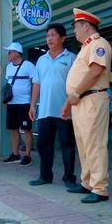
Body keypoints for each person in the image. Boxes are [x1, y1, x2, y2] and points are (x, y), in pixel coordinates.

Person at [60, 8, 112, 203]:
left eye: (76, 27)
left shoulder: (99, 44)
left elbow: (96, 71)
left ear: (86, 26)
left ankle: (100, 188)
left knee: (95, 144)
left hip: (92, 98)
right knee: (83, 143)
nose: (74, 31)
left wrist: (75, 93)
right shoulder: (85, 48)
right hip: (80, 100)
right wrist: (68, 103)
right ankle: (88, 182)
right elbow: (78, 79)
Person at [28, 24, 77, 188]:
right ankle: (45, 176)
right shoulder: (42, 60)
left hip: (65, 110)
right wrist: (32, 105)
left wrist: (70, 105)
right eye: (47, 35)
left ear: (62, 38)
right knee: (43, 144)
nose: (49, 38)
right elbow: (36, 84)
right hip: (45, 111)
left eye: (53, 35)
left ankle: (69, 178)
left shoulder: (71, 58)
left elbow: (77, 84)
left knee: (67, 145)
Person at [2, 42, 35, 166]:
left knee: (26, 129)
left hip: (24, 103)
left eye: (10, 52)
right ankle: (15, 154)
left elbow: (34, 82)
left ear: (16, 53)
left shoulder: (28, 65)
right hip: (11, 103)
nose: (8, 54)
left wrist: (32, 101)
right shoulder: (9, 67)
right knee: (13, 129)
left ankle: (27, 155)